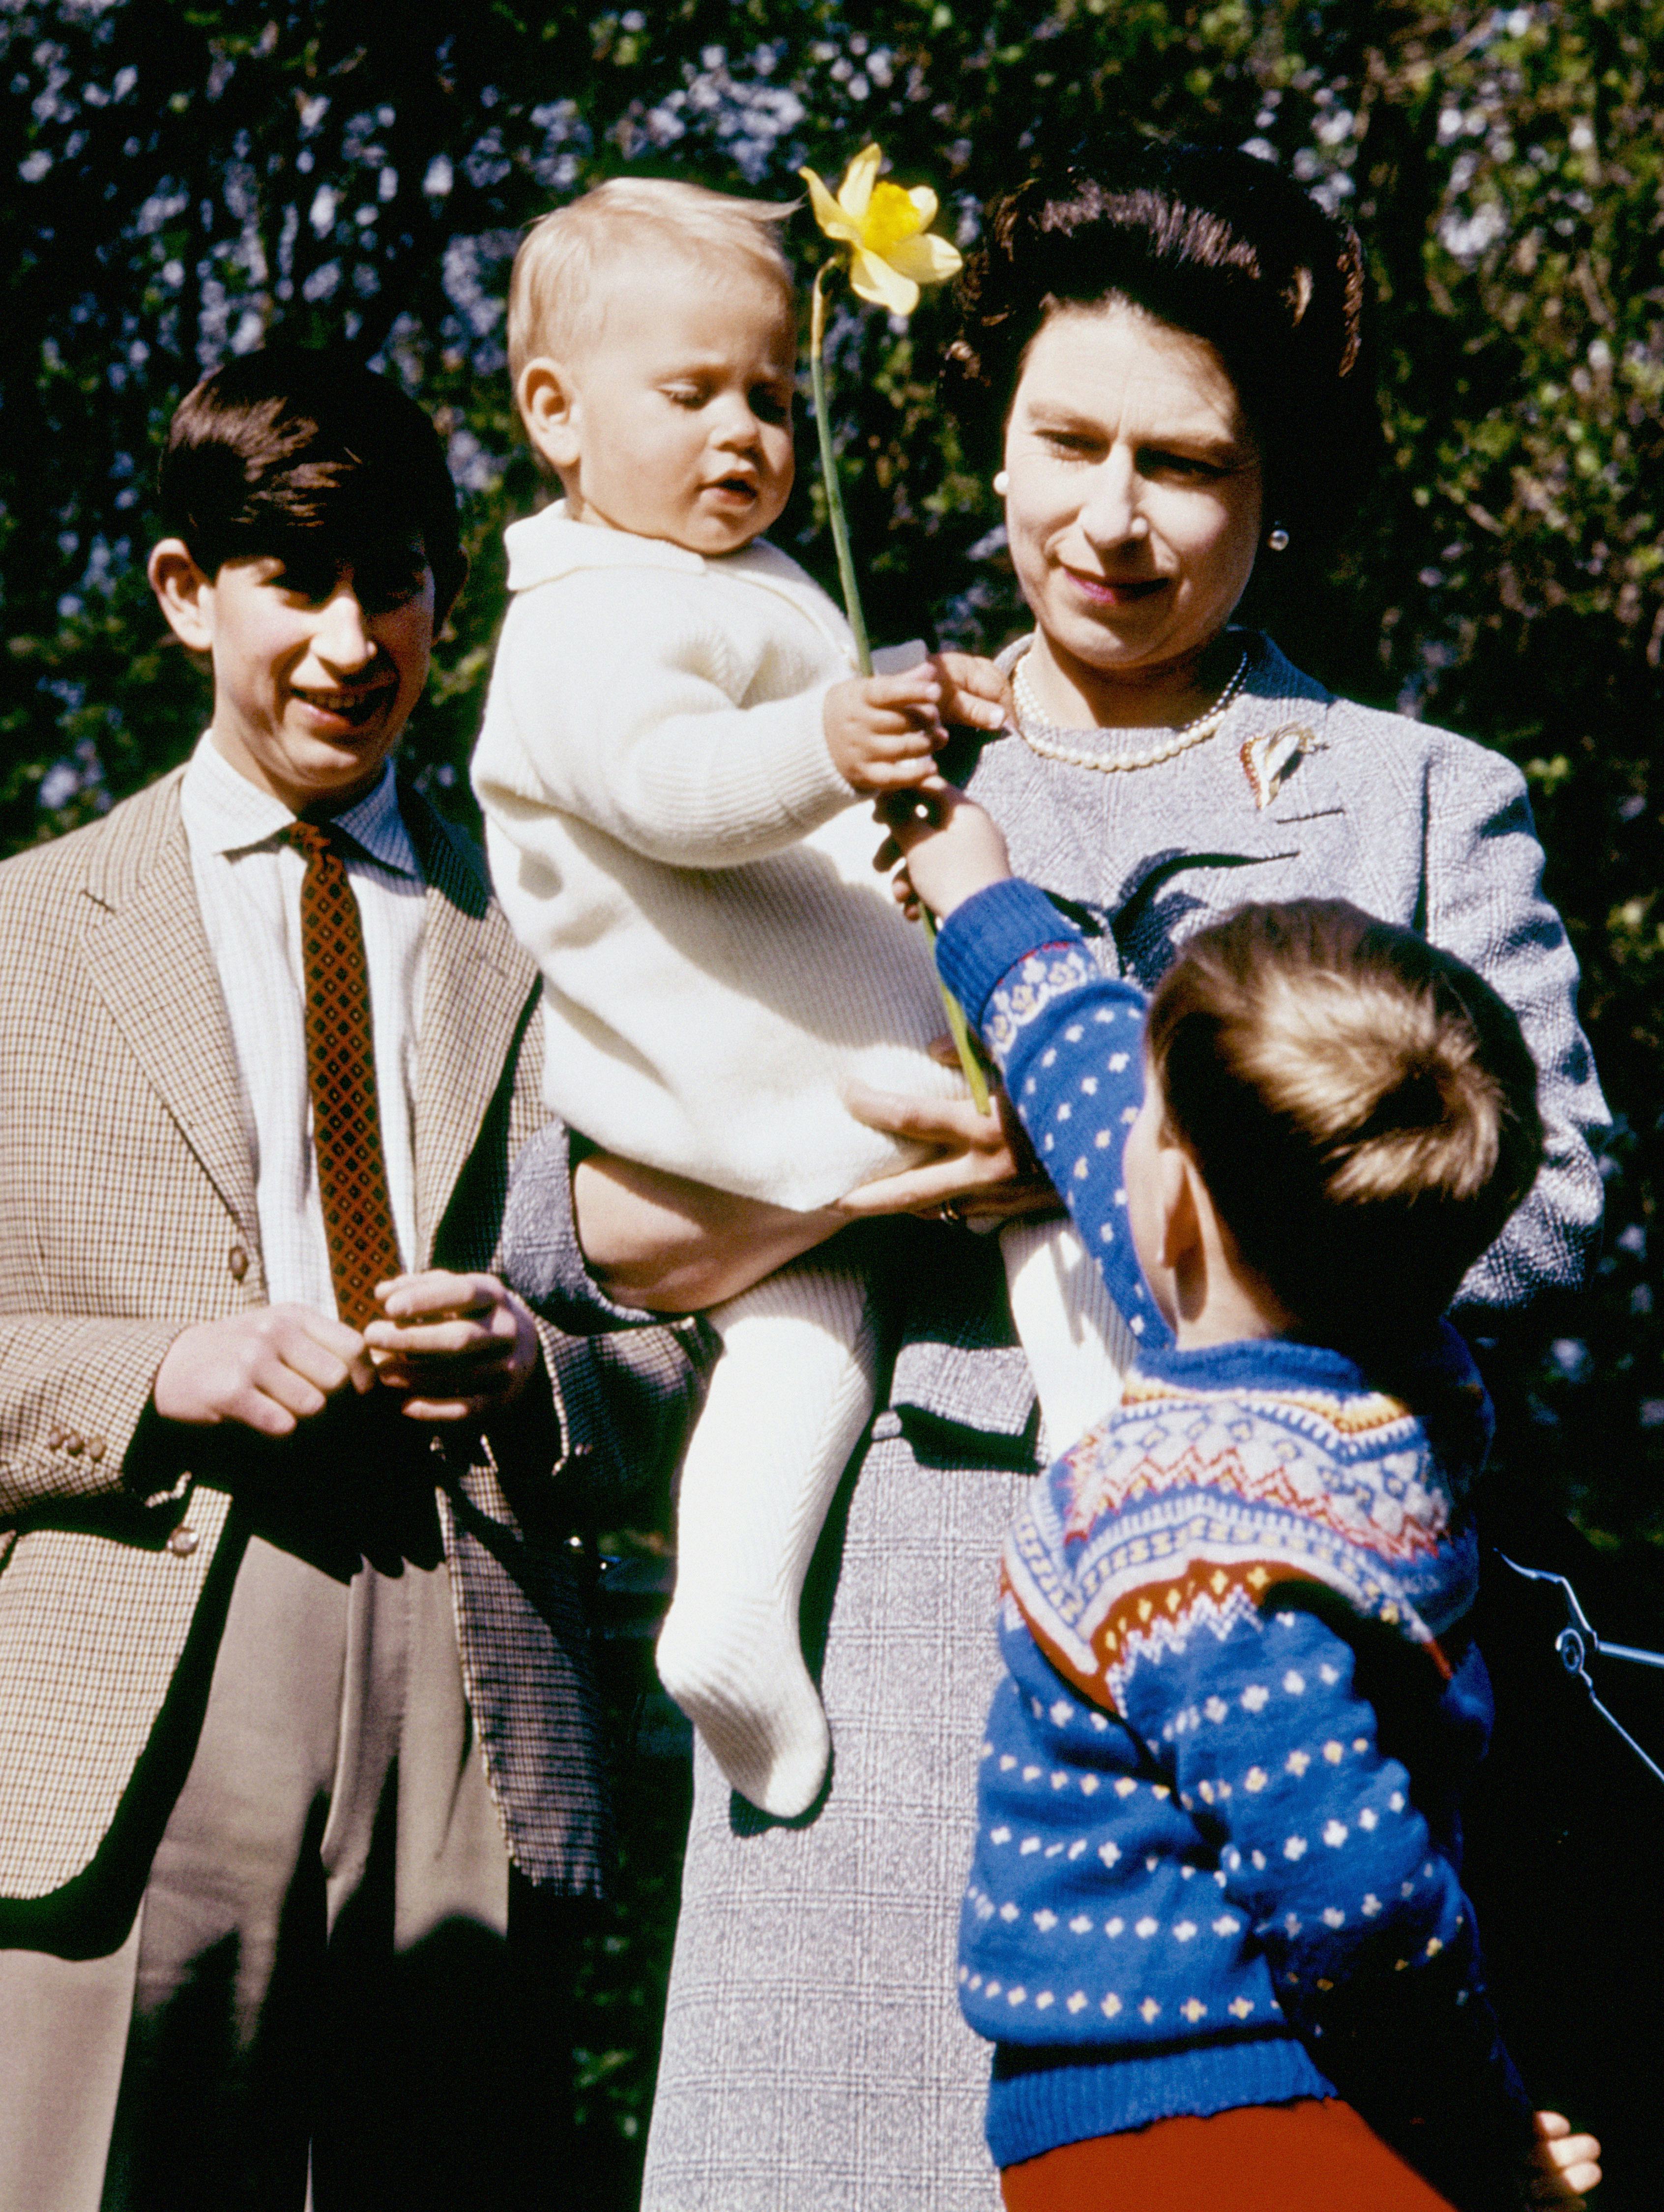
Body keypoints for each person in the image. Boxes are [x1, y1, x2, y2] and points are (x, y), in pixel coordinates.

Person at [503, 142, 1609, 2211]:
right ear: (993, 442)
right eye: (1064, 444)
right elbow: (584, 1231)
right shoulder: (833, 749)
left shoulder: (1423, 801)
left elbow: (1543, 1226)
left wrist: (1093, 1156)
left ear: (1277, 488)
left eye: (1182, 465)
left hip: (1262, 1777)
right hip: (854, 1678)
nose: (1110, 520)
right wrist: (897, 1184)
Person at [0, 347, 684, 2212]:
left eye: (390, 582)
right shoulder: (26, 930)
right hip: (146, 1656)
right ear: (183, 592)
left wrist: (543, 1368)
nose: (347, 638)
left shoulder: (556, 933)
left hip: (477, 1655)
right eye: (294, 581)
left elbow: (688, 1345)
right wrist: (157, 1374)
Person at [472, 177, 1123, 1822]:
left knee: (801, 1315)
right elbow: (672, 784)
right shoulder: (583, 615)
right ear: (554, 413)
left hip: (761, 1049)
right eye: (689, 395)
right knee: (1016, 1136)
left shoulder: (725, 576)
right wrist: (831, 740)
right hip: (747, 1046)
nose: (744, 433)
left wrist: (899, 711)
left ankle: (733, 1606)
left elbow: (800, 755)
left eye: (772, 394)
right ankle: (1109, 1426)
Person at [885, 787, 1604, 2211]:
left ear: (1179, 1211)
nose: (1119, 1134)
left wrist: (1482, 2135)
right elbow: (1104, 1092)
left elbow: (1356, 1896)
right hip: (1273, 2110)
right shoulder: (1385, 1379)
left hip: (1208, 2132)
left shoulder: (1190, 1524)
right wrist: (982, 903)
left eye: (1152, 1126)